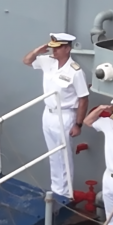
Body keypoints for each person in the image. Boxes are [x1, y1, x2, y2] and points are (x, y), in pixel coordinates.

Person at [23, 33, 89, 199]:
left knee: (63, 155)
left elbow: (83, 99)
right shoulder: (47, 61)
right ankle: (56, 188)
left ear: (67, 48)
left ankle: (65, 193)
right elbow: (26, 61)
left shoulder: (75, 71)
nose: (54, 51)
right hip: (48, 113)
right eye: (52, 47)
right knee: (53, 154)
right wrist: (38, 50)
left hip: (65, 116)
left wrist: (78, 124)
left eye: (58, 48)